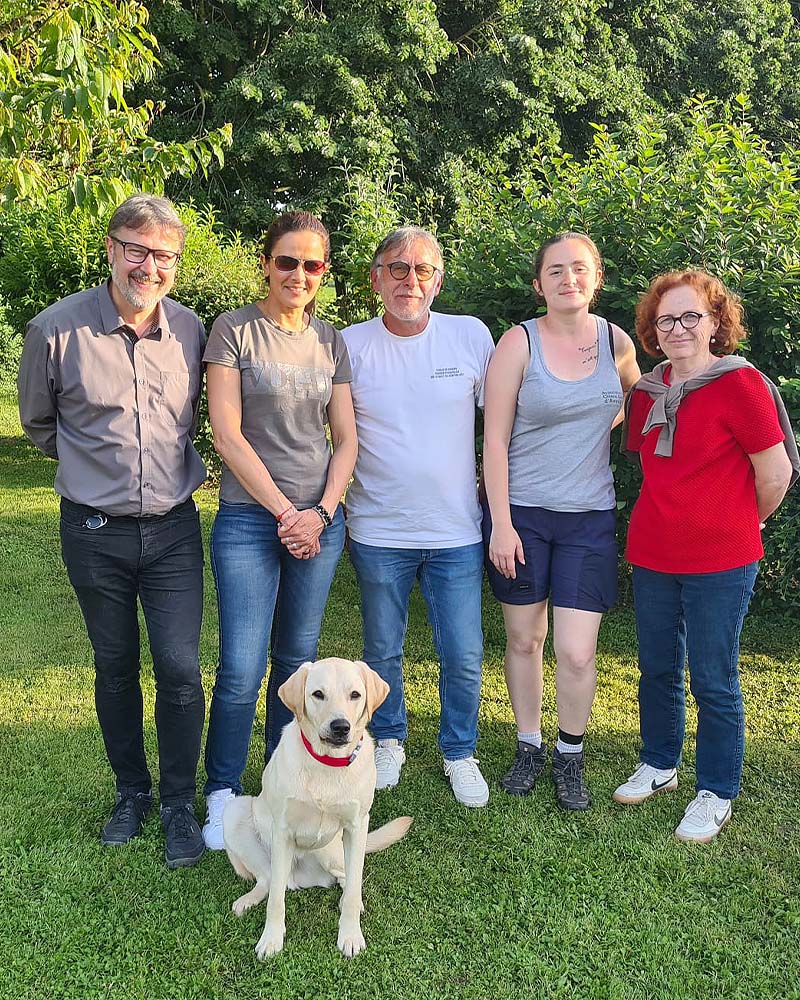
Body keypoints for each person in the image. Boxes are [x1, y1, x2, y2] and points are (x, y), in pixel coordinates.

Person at [17, 194, 208, 868]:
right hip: (95, 531)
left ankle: (181, 803)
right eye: (137, 248)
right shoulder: (55, 329)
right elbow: (40, 426)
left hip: (175, 532)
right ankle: (132, 792)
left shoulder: (191, 331)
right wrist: (93, 469)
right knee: (115, 665)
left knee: (181, 669)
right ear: (110, 248)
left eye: (163, 255)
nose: (148, 265)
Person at [613, 269, 797, 842]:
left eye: (692, 316)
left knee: (713, 677)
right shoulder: (647, 393)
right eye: (666, 318)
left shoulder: (741, 386)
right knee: (658, 666)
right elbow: (648, 464)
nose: (679, 327)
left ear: (716, 323)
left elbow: (777, 472)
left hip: (723, 559)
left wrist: (739, 522)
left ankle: (716, 790)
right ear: (652, 329)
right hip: (654, 551)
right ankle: (661, 762)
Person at [201, 211, 357, 850]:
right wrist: (284, 513)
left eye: (312, 264)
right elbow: (227, 434)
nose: (299, 274)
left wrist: (318, 513)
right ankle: (221, 795)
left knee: (296, 665)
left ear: (325, 272)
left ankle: (280, 788)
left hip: (318, 523)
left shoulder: (332, 341)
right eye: (287, 260)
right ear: (266, 263)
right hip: (248, 518)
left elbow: (346, 440)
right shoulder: (235, 329)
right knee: (241, 666)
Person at [482, 232, 640, 810]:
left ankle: (569, 753)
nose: (568, 279)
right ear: (539, 284)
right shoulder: (518, 343)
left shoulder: (617, 342)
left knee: (576, 650)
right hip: (522, 515)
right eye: (555, 271)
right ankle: (528, 743)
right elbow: (494, 440)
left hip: (589, 518)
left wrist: (595, 429)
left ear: (597, 278)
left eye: (579, 269)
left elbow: (637, 404)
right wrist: (501, 523)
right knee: (525, 639)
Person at [342, 226, 495, 808]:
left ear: (439, 279)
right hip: (378, 529)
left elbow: (507, 419)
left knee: (463, 651)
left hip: (456, 530)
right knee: (382, 651)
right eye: (398, 269)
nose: (411, 280)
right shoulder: (349, 344)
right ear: (377, 277)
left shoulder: (470, 337)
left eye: (423, 270)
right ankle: (388, 738)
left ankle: (460, 750)